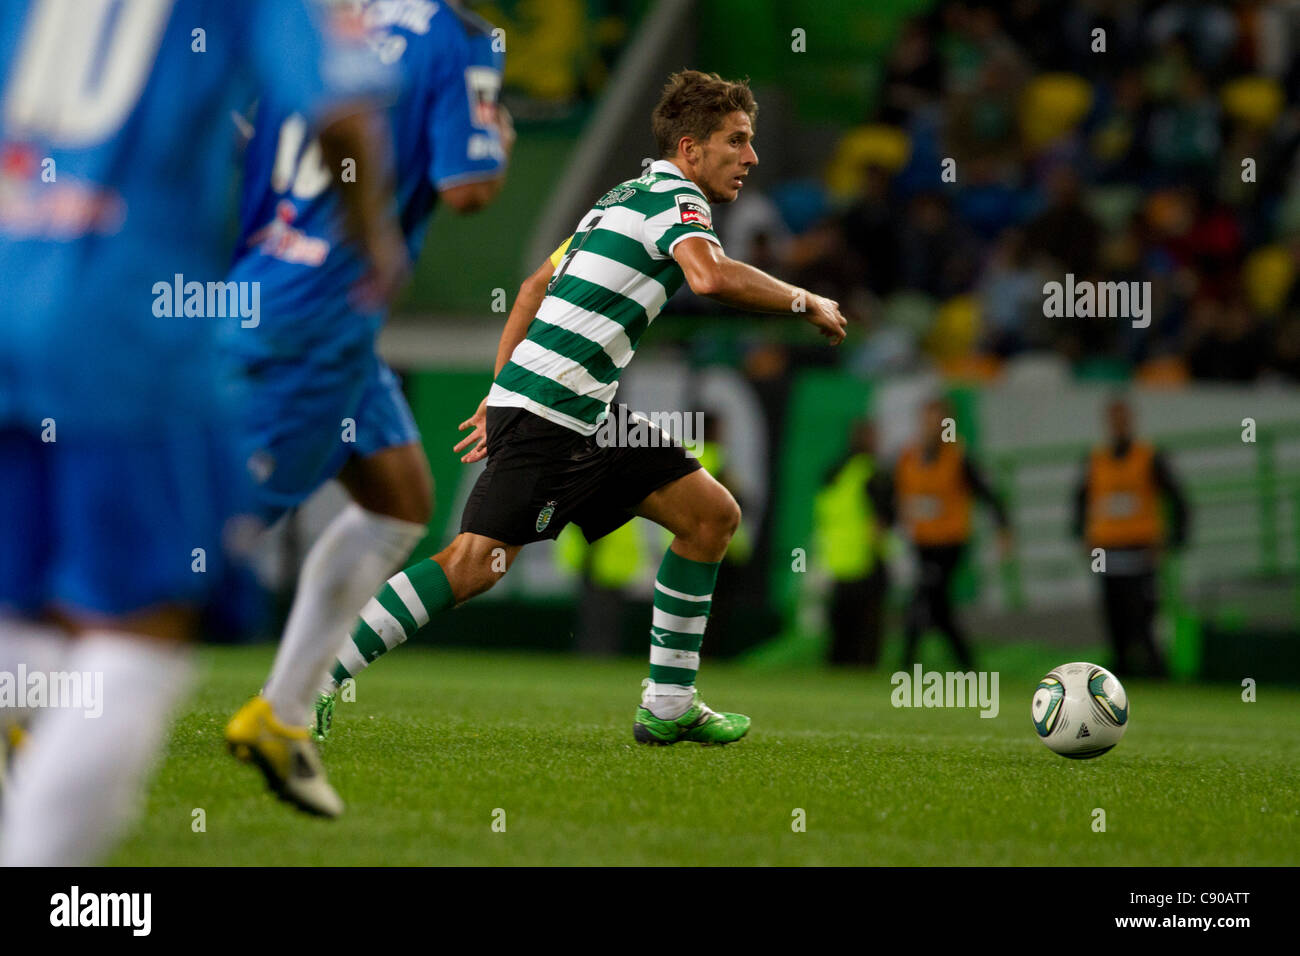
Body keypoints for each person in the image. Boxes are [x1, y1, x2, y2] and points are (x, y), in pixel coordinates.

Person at [313, 69, 848, 747]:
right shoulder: (677, 201)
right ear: (690, 149)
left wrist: (501, 388)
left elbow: (536, 285)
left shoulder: (623, 197)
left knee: (711, 516)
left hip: (581, 412)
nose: (752, 157)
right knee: (475, 564)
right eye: (736, 141)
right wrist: (806, 300)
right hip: (552, 414)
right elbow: (708, 277)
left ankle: (669, 703)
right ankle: (315, 678)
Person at [0, 0, 401, 865]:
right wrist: (374, 242)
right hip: (124, 326)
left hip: (9, 287)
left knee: (24, 619)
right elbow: (337, 107)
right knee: (139, 634)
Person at [221, 0, 512, 818]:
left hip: (277, 290)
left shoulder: (321, 20)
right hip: (314, 319)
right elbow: (469, 191)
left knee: (400, 500)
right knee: (192, 548)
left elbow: (239, 134)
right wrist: (502, 144)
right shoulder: (461, 39)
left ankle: (282, 713)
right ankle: (29, 697)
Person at [1073, 397, 1188, 678]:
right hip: (1106, 549)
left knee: (1144, 614)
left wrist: (1175, 539)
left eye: (1122, 417)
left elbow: (1178, 497)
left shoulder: (1149, 456)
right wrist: (1081, 534)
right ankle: (1120, 672)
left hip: (1141, 548)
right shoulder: (1095, 459)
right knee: (1114, 615)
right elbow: (1081, 498)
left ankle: (1156, 671)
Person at [895, 398, 1011, 669]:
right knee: (939, 608)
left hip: (948, 544)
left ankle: (905, 667)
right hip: (920, 542)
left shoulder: (958, 458)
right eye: (927, 418)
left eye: (939, 420)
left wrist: (1003, 529)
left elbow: (989, 494)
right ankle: (968, 665)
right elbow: (896, 495)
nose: (932, 425)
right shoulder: (908, 457)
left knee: (922, 599)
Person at [815, 419, 893, 666]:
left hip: (836, 559)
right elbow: (881, 519)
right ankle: (865, 667)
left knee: (840, 624)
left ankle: (836, 667)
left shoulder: (833, 472)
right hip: (866, 556)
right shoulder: (871, 473)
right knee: (868, 625)